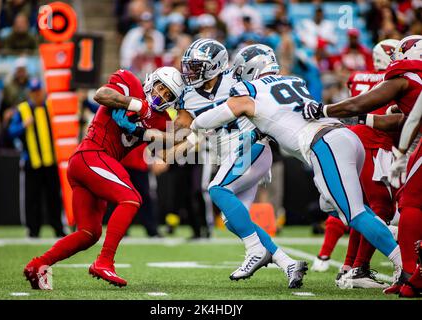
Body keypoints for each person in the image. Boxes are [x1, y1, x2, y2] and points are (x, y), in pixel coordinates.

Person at [190, 43, 402, 290]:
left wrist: (194, 126)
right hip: (346, 138)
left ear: (249, 69)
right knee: (335, 205)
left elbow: (209, 119)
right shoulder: (295, 81)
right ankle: (391, 237)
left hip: (323, 144)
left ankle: (404, 263)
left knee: (354, 213)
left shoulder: (250, 91)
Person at [162, 39, 307, 288]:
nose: (190, 72)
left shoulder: (237, 79)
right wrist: (153, 124)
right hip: (233, 156)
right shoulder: (186, 93)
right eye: (190, 66)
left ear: (215, 66)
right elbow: (181, 127)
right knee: (233, 219)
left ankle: (254, 251)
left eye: (197, 67)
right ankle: (287, 262)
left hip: (250, 146)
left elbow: (267, 101)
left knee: (216, 189)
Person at [23, 67, 183, 290]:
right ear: (151, 80)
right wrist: (135, 105)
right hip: (92, 154)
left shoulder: (159, 117)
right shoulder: (130, 81)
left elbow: (172, 140)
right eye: (161, 88)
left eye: (168, 96)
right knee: (131, 199)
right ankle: (104, 261)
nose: (161, 96)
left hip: (90, 164)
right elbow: (101, 95)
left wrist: (141, 131)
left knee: (89, 233)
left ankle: (38, 265)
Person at [301, 35, 422, 298]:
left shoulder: (404, 78)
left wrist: (323, 110)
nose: (397, 58)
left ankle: (406, 272)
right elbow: (403, 120)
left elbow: (362, 105)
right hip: (378, 144)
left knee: (400, 205)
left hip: (372, 144)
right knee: (382, 207)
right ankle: (366, 268)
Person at [8, 78, 65, 238]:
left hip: (51, 162)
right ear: (30, 93)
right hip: (31, 162)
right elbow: (11, 132)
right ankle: (33, 230)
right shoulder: (23, 110)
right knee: (32, 199)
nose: (37, 95)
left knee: (54, 197)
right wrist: (23, 126)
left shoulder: (51, 108)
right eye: (34, 92)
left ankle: (58, 228)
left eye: (38, 91)